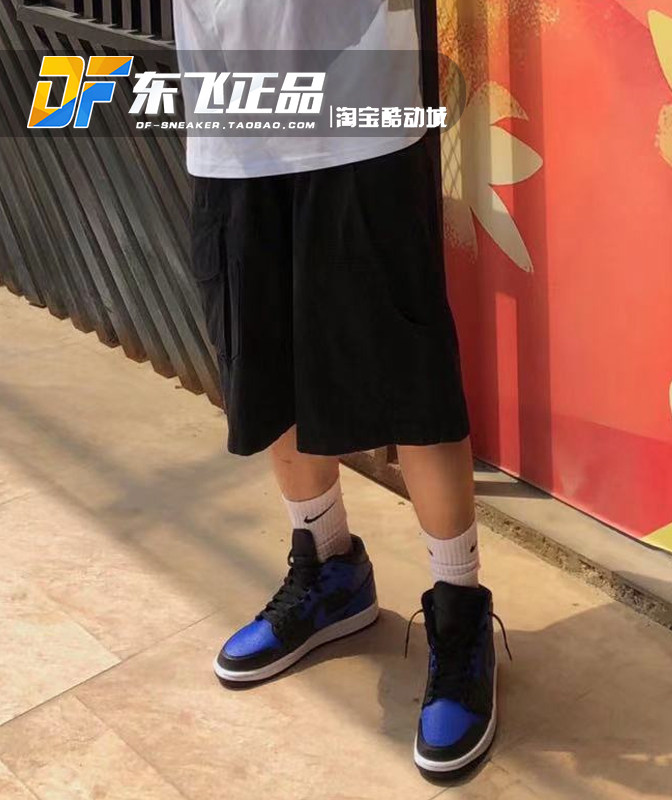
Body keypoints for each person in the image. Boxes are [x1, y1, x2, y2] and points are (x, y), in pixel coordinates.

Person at [174, 0, 502, 777]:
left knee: (410, 376)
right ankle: (329, 568)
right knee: (267, 369)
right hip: (231, 115)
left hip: (359, 106)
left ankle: (458, 610)